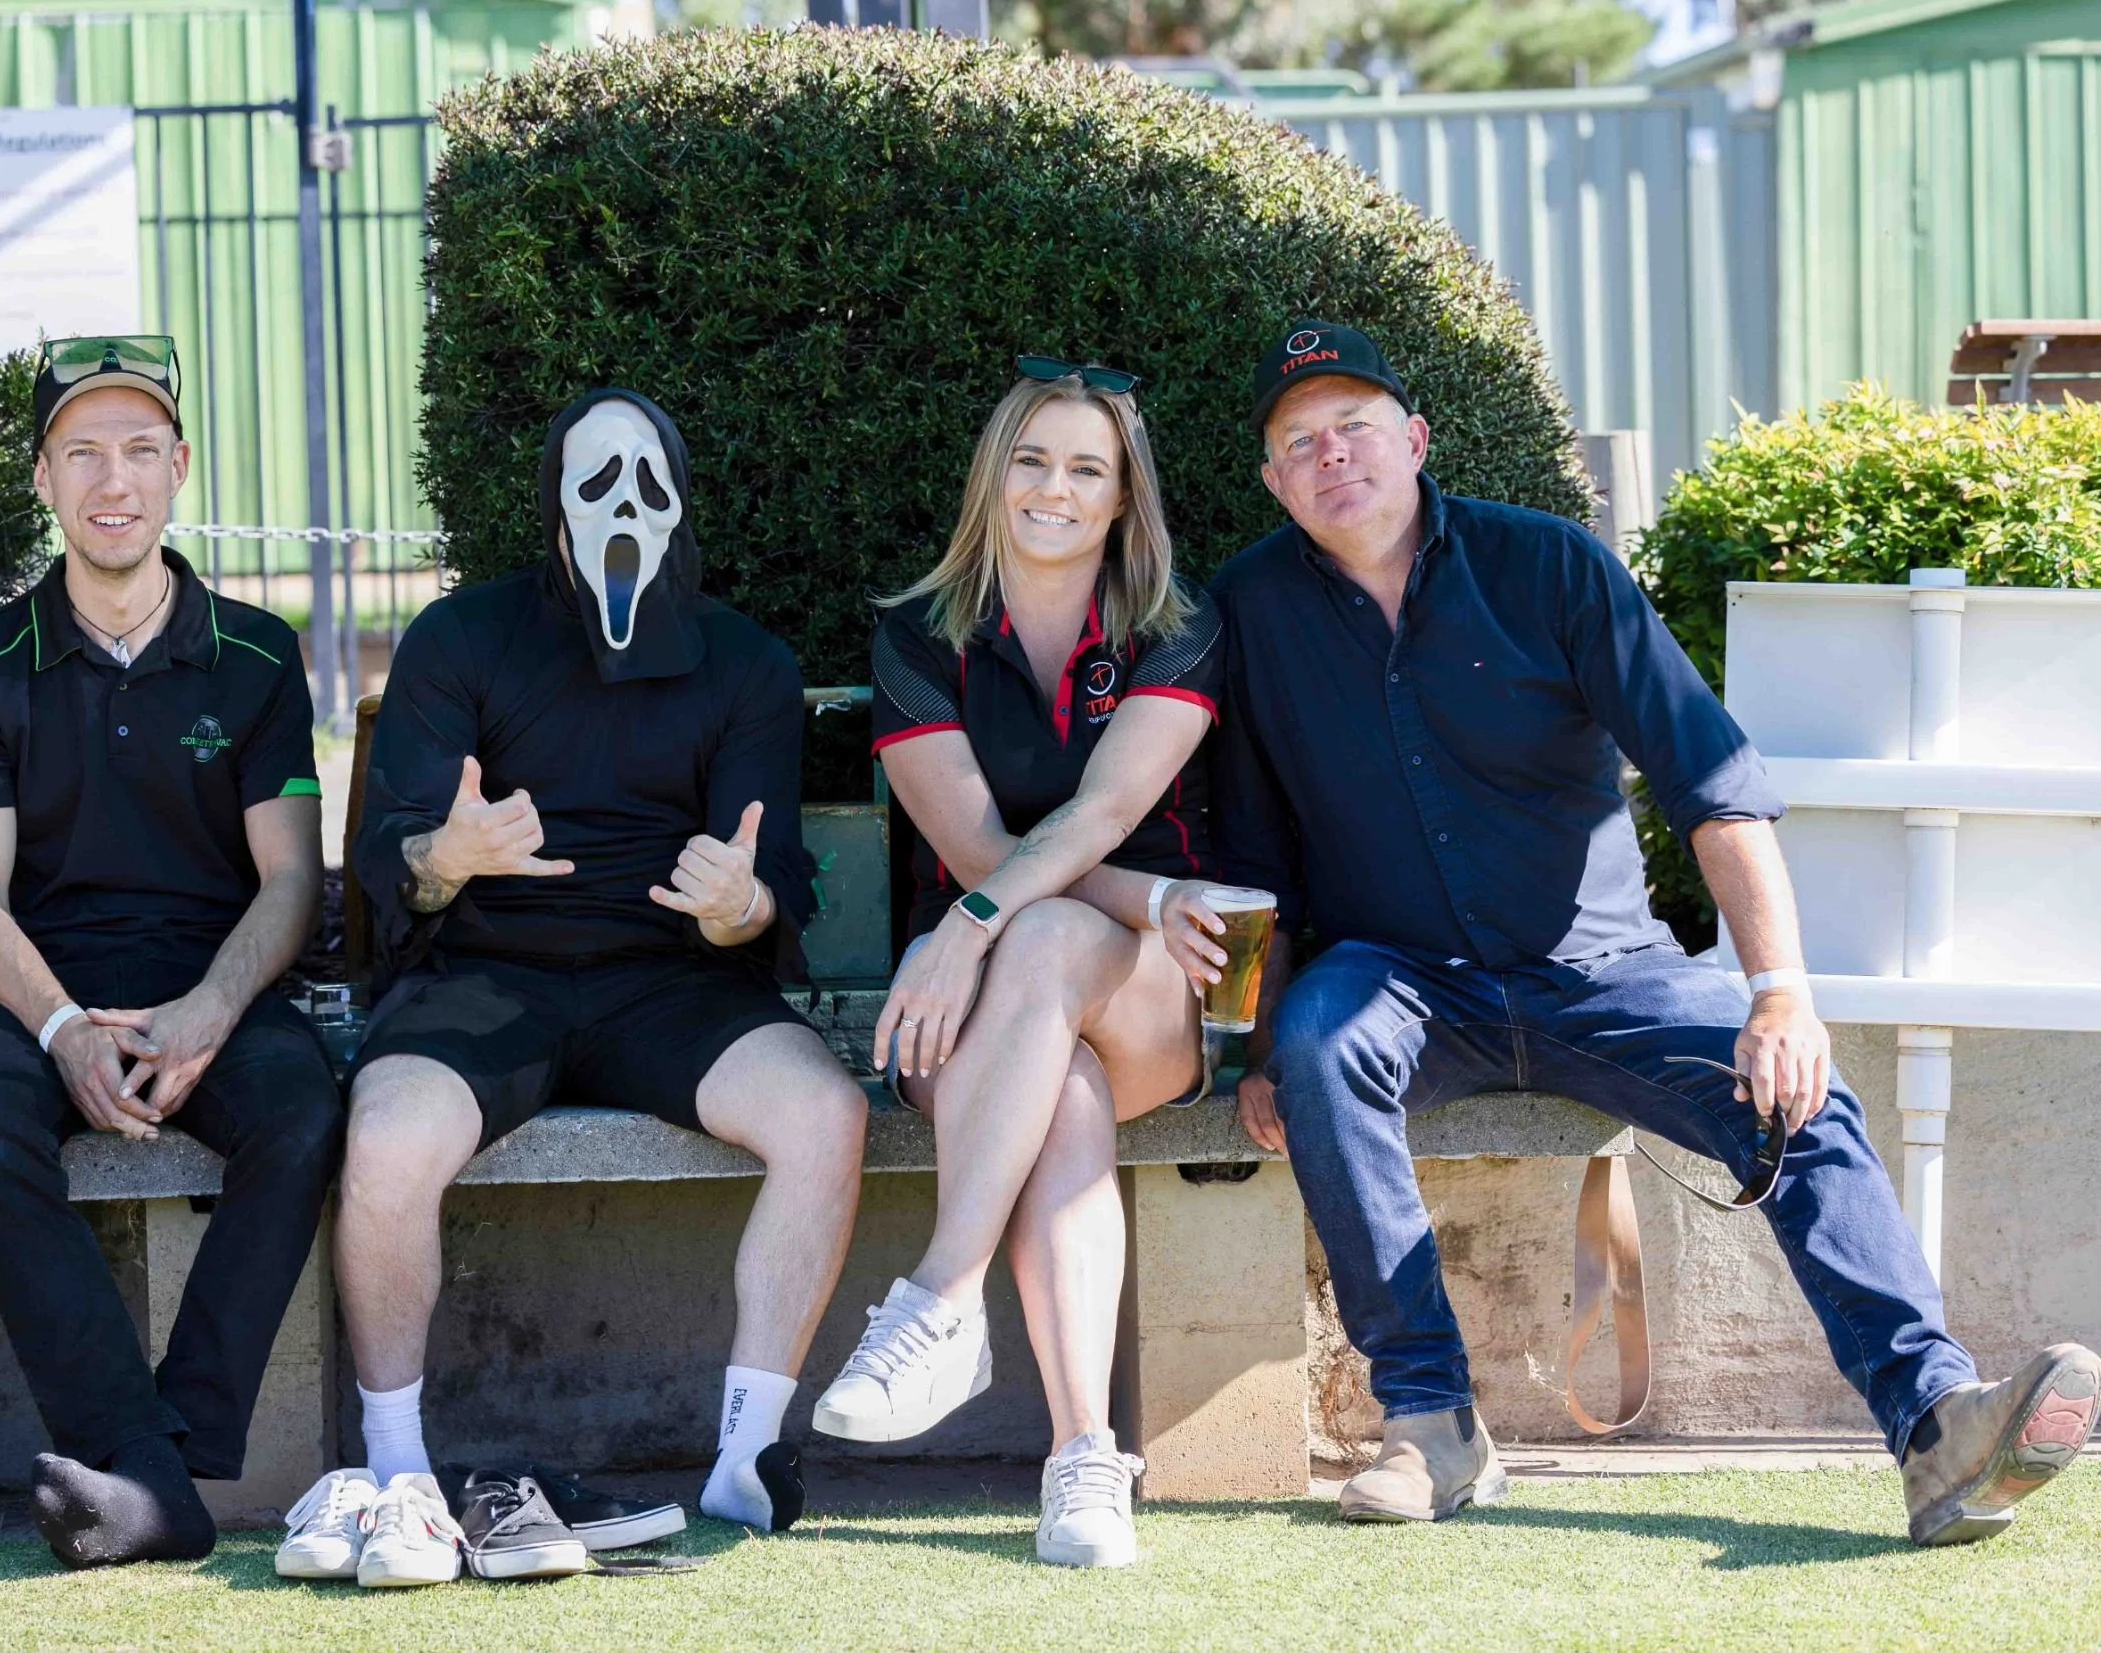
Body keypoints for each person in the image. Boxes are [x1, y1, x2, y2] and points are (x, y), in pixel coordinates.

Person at [1209, 319, 2099, 1543]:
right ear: (1271, 480)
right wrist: (1257, 1038)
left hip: (1605, 975)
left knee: (1799, 1095)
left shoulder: (1552, 568)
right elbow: (1250, 853)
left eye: (1354, 426)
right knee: (1319, 1043)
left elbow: (1709, 780)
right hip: (1401, 977)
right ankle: (1430, 1424)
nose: (1330, 456)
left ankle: (1937, 1424)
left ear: (1413, 438)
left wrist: (1778, 990)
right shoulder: (1247, 607)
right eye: (1298, 442)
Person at [279, 388, 869, 1588]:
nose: (623, 509)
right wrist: (450, 859)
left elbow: (773, 879)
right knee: (385, 1140)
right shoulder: (460, 639)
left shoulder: (747, 662)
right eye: (597, 483)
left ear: (681, 502)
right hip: (487, 979)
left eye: (648, 486)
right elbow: (399, 857)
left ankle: (747, 1452)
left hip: (672, 981)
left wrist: (738, 906)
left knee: (828, 1114)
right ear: (554, 497)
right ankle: (401, 1470)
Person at [809, 360, 1234, 1570]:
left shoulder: (1177, 626)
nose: (1054, 487)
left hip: (1154, 983)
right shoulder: (915, 632)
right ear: (994, 477)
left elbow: (1101, 813)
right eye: (1031, 459)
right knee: (1064, 1097)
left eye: (1085, 467)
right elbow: (979, 847)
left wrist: (972, 922)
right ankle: (1084, 1459)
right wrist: (987, 916)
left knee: (1048, 935)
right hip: (992, 1003)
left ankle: (941, 1297)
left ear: (1120, 498)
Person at [0, 336, 344, 1569]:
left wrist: (210, 1008)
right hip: (33, 986)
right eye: (85, 453)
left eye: (141, 450)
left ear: (179, 469)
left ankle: (165, 1457)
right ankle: (149, 1473)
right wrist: (61, 1031)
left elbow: (287, 879)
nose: (116, 479)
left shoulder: (260, 655)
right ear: (45, 480)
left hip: (206, 974)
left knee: (305, 1111)